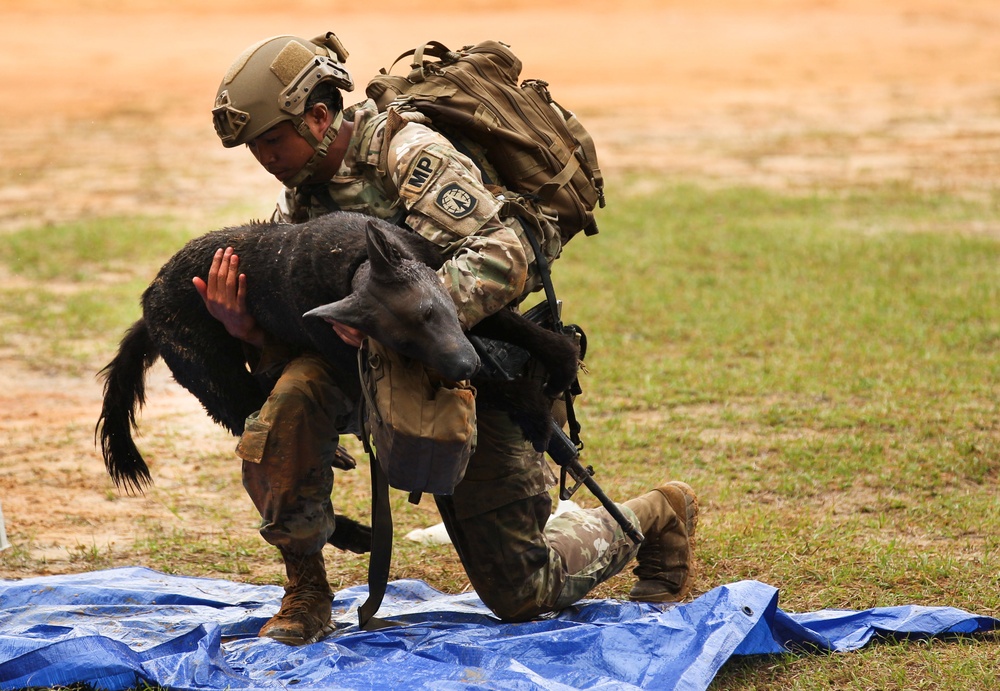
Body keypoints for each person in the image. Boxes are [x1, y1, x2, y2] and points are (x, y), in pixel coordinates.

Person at [198, 31, 699, 646]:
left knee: (522, 594)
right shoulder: (300, 196)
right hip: (374, 367)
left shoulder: (407, 152)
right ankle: (305, 590)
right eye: (255, 147)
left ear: (319, 116)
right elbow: (305, 315)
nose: (264, 157)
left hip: (473, 367)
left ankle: (657, 513)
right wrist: (245, 328)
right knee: (289, 403)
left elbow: (503, 254)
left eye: (271, 140)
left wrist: (398, 316)